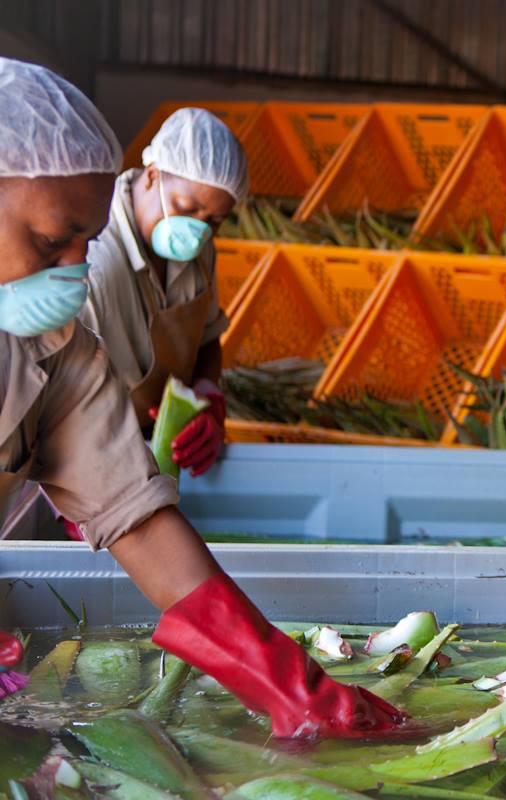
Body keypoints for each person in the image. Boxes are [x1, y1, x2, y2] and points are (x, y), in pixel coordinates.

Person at [0, 58, 416, 740]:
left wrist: (285, 679)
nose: (74, 269)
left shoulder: (56, 347)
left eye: (87, 241)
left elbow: (135, 515)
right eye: (50, 240)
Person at [79, 107, 244, 478]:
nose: (199, 230)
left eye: (214, 221)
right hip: (93, 457)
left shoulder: (199, 249)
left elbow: (206, 338)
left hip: (160, 449)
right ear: (153, 175)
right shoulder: (95, 262)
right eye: (188, 208)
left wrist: (207, 395)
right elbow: (58, 402)